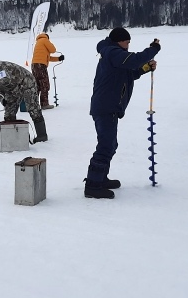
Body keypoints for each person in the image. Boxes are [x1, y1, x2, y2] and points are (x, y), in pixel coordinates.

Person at [82, 28, 159, 198]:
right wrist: (153, 49)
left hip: (108, 106)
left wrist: (145, 68)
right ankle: (93, 186)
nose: (128, 45)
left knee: (110, 144)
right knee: (105, 146)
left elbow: (129, 73)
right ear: (119, 41)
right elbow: (134, 60)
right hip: (105, 107)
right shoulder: (112, 52)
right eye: (127, 41)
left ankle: (101, 178)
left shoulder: (112, 53)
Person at [0, 59, 47, 142]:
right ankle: (9, 133)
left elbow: (8, 82)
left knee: (33, 108)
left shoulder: (0, 68)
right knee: (9, 112)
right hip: (12, 89)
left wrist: (10, 97)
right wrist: (3, 100)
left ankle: (42, 135)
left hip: (26, 82)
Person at [31, 33, 64, 110]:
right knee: (45, 84)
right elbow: (53, 49)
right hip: (40, 65)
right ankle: (44, 104)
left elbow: (47, 57)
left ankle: (34, 104)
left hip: (34, 65)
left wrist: (59, 59)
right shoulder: (44, 40)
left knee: (37, 85)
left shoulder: (38, 42)